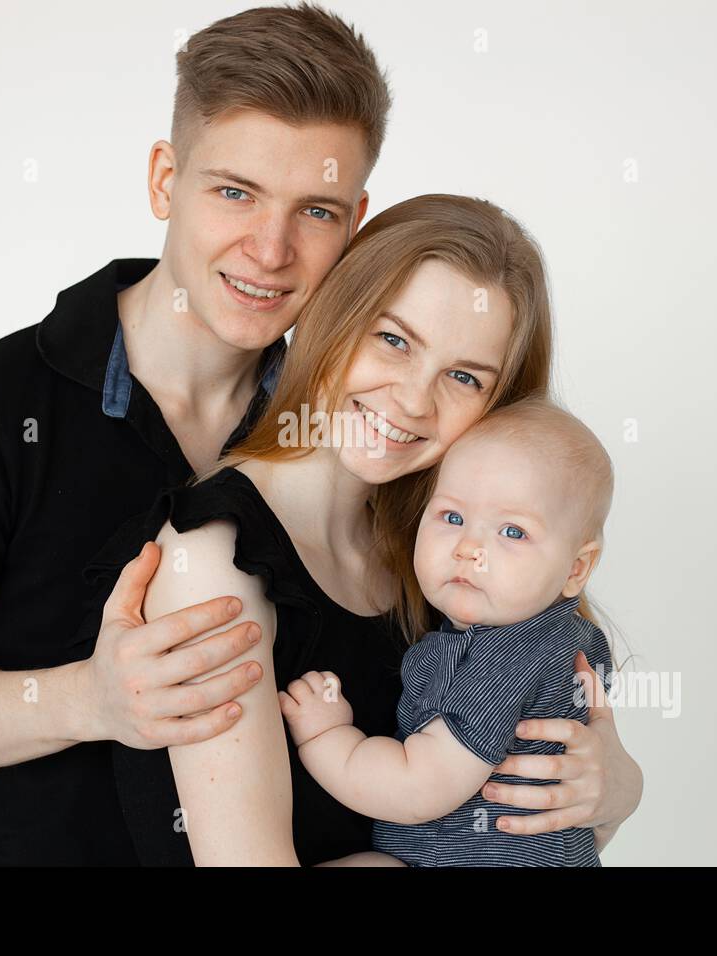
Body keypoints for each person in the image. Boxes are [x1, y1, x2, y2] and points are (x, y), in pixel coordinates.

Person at [79, 194, 640, 865]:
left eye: (463, 376)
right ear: (335, 317)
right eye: (393, 340)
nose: (411, 399)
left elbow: (540, 835)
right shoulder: (212, 559)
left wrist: (616, 792)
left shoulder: (448, 562)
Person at [280, 398, 617, 866]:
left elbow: (418, 787)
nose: (469, 549)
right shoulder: (561, 637)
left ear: (576, 569)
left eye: (513, 532)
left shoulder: (509, 658)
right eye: (453, 518)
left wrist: (328, 738)